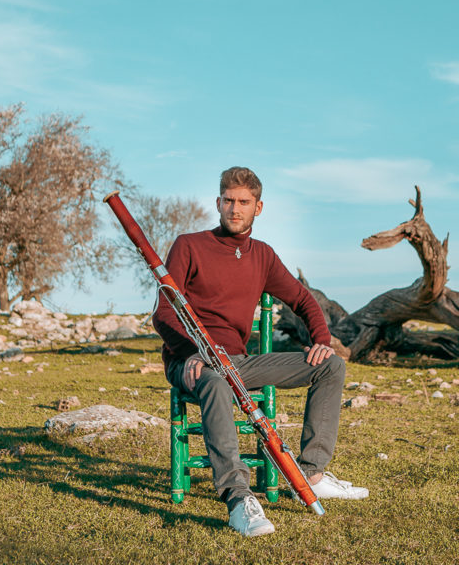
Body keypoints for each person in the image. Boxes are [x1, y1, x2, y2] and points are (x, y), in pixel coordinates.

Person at [152, 167, 368, 538]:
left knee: (330, 366)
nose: (235, 209)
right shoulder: (189, 245)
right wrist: (190, 352)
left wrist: (321, 338)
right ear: (218, 202)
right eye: (228, 200)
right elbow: (164, 311)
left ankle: (312, 473)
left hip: (238, 362)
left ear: (259, 207)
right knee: (217, 384)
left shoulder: (263, 255)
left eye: (244, 202)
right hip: (190, 363)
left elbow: (303, 299)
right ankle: (238, 499)